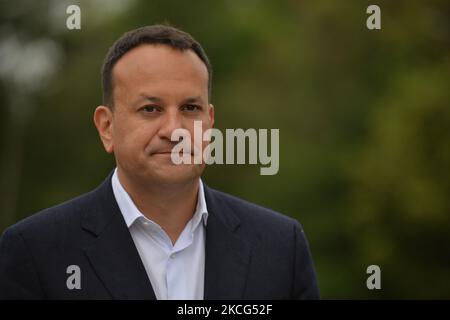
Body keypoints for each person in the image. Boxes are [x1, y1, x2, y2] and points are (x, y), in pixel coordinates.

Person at [0, 25, 319, 299]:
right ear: (106, 127)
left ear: (209, 122)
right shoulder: (35, 253)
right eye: (151, 109)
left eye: (190, 108)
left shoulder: (280, 248)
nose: (174, 130)